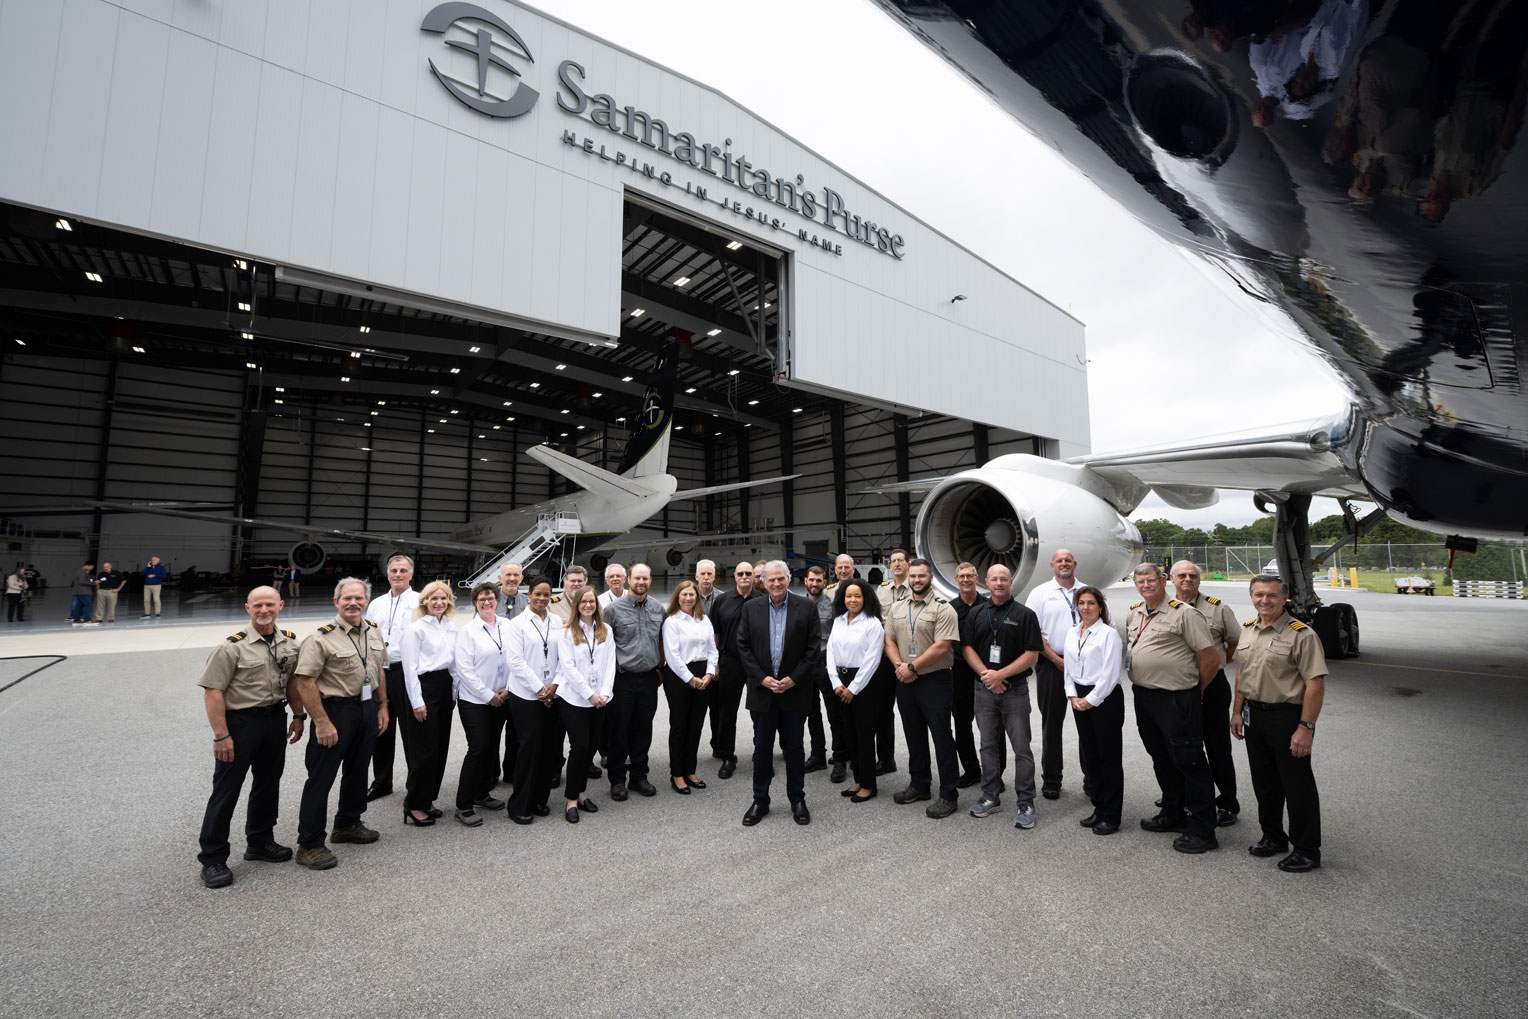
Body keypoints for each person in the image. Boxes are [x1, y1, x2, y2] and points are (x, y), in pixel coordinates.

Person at [194, 586, 304, 888]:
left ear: (280, 606)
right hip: (240, 723)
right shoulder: (232, 648)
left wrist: (298, 715)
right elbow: (213, 690)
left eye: (270, 604)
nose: (264, 610)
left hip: (274, 720)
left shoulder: (290, 643)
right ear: (247, 608)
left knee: (268, 785)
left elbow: (293, 681)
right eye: (258, 605)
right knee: (226, 789)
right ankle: (213, 857)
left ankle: (259, 841)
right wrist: (221, 735)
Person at [290, 578, 390, 870]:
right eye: (347, 598)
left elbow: (379, 670)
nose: (353, 603)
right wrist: (321, 722)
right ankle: (309, 843)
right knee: (321, 778)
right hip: (334, 711)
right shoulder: (320, 638)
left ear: (366, 601)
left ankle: (347, 823)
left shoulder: (373, 631)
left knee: (358, 771)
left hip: (366, 708)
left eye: (359, 598)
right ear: (336, 602)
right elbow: (304, 682)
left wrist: (382, 706)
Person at [1232, 575, 1328, 872]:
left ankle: (1307, 849)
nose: (1265, 600)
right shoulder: (1248, 631)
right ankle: (1273, 836)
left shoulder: (1302, 635)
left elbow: (1314, 684)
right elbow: (1241, 675)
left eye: (1271, 595)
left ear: (1283, 598)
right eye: (1259, 595)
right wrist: (1237, 712)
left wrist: (1306, 728)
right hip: (1254, 716)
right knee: (1265, 782)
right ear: (1252, 597)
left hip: (1287, 717)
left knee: (1297, 785)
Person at [1122, 563, 1220, 854]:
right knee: (1161, 758)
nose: (1145, 585)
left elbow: (1210, 658)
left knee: (1189, 760)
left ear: (1163, 581)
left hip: (1177, 698)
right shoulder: (1135, 612)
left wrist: (1193, 690)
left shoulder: (1185, 613)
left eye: (1150, 580)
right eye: (1140, 581)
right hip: (1145, 697)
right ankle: (1173, 812)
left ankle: (1203, 829)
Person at [736, 560, 822, 826]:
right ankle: (760, 800)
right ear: (763, 581)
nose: (776, 584)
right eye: (771, 580)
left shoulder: (806, 607)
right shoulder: (751, 608)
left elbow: (813, 649)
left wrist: (793, 680)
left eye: (781, 579)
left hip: (793, 692)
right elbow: (743, 646)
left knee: (794, 748)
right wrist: (762, 679)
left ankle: (797, 798)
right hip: (763, 692)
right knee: (762, 749)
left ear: (789, 579)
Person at [961, 564, 1043, 828]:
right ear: (986, 581)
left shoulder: (1025, 614)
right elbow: (967, 648)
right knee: (987, 745)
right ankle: (990, 796)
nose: (999, 583)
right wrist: (988, 675)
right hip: (983, 689)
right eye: (994, 579)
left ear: (1011, 582)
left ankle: (1026, 802)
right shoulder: (976, 613)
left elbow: (1032, 653)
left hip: (1014, 691)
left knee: (1021, 748)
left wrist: (1001, 675)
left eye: (1003, 579)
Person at [883, 558, 963, 819]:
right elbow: (889, 639)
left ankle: (949, 794)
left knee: (942, 737)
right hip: (905, 679)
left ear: (930, 578)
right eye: (913, 576)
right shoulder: (897, 607)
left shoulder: (943, 609)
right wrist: (900, 666)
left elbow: (942, 646)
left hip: (934, 680)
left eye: (921, 576)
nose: (916, 580)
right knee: (913, 735)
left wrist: (912, 667)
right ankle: (919, 785)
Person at [1172, 560, 1242, 827]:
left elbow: (1236, 641)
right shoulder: (1166, 607)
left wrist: (1220, 662)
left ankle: (1226, 803)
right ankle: (1187, 796)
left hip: (1211, 686)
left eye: (1192, 575)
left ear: (1199, 581)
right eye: (1182, 575)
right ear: (1172, 579)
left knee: (1217, 746)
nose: (1187, 579)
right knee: (1182, 745)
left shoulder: (1217, 608)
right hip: (1178, 686)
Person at [1064, 586, 1125, 836]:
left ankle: (1111, 815)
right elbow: (1068, 667)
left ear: (1100, 607)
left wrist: (1090, 700)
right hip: (1079, 696)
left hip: (1104, 699)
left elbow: (1110, 674)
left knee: (1108, 758)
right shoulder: (1072, 632)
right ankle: (1098, 808)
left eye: (1091, 603)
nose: (1086, 608)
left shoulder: (1109, 634)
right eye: (1081, 603)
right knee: (1091, 757)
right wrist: (1072, 695)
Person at [1023, 549, 1084, 800]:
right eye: (1059, 560)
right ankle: (1051, 780)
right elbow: (1033, 632)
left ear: (1075, 564)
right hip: (1051, 665)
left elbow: (1105, 624)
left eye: (1068, 560)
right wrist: (1057, 660)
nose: (1064, 564)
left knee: (1088, 726)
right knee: (1052, 725)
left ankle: (1092, 779)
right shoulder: (1039, 593)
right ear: (1052, 565)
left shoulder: (1087, 592)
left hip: (1084, 667)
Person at [452, 583, 512, 826]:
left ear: (497, 600)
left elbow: (515, 659)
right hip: (475, 700)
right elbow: (464, 670)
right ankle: (463, 804)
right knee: (478, 748)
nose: (486, 602)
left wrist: (506, 691)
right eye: (481, 599)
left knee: (490, 748)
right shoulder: (468, 631)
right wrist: (489, 695)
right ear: (475, 602)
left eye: (490, 598)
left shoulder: (507, 626)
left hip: (503, 696)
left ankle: (481, 793)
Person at [398, 580, 458, 827]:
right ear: (425, 602)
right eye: (434, 598)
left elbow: (453, 664)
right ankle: (414, 804)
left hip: (444, 687)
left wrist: (453, 693)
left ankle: (428, 799)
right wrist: (417, 702)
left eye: (443, 598)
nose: (439, 603)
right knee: (424, 749)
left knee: (440, 746)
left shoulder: (451, 627)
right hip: (424, 687)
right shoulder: (416, 629)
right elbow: (409, 668)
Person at [504, 576, 563, 824]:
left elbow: (564, 657)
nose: (541, 598)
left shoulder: (557, 621)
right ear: (529, 595)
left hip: (553, 693)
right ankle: (519, 804)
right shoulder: (516, 624)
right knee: (528, 749)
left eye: (546, 594)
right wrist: (540, 688)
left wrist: (554, 685)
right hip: (526, 695)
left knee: (548, 749)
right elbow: (515, 662)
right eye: (537, 594)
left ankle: (540, 799)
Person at [604, 563, 665, 800]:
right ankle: (617, 780)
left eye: (646, 579)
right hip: (623, 679)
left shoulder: (659, 609)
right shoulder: (612, 610)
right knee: (619, 730)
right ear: (629, 579)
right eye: (637, 578)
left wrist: (660, 669)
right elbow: (604, 645)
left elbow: (661, 640)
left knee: (643, 729)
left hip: (649, 679)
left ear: (651, 581)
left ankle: (639, 776)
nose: (641, 582)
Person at [556, 587, 614, 823]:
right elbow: (568, 669)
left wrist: (605, 694)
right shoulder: (566, 632)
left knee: (591, 746)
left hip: (600, 700)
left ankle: (581, 794)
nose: (588, 605)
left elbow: (611, 663)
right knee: (579, 747)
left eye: (592, 601)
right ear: (576, 605)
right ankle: (570, 800)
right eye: (584, 602)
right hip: (575, 699)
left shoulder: (605, 630)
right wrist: (590, 694)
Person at [365, 555, 419, 802]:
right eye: (394, 570)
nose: (398, 574)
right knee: (381, 729)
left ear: (411, 574)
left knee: (411, 732)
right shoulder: (376, 604)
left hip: (405, 672)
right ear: (387, 574)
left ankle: (415, 783)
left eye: (403, 570)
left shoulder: (420, 602)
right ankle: (382, 781)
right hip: (379, 672)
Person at [826, 578, 886, 802]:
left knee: (864, 735)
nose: (852, 600)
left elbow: (872, 660)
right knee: (849, 734)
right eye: (848, 596)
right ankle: (859, 780)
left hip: (863, 682)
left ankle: (869, 785)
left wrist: (853, 688)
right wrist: (836, 683)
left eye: (857, 596)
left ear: (866, 598)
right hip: (840, 682)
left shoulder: (872, 624)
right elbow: (830, 651)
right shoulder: (839, 621)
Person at [662, 580, 717, 794]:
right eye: (684, 594)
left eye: (691, 595)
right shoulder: (672, 621)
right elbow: (672, 656)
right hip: (679, 677)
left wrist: (710, 673)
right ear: (677, 597)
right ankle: (677, 774)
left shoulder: (704, 620)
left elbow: (713, 649)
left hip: (703, 675)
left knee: (696, 725)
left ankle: (690, 770)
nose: (688, 598)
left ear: (696, 597)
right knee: (679, 726)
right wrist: (691, 679)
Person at [706, 561, 759, 779]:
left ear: (754, 577)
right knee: (727, 711)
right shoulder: (722, 601)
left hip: (757, 663)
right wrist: (716, 662)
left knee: (760, 712)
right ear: (734, 576)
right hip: (730, 661)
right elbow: (714, 634)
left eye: (749, 573)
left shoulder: (762, 601)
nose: (745, 576)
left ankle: (761, 754)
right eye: (741, 573)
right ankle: (727, 755)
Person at [805, 565, 849, 782]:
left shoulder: (833, 607)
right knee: (811, 713)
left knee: (835, 714)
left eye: (819, 580)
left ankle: (840, 758)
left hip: (825, 664)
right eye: (811, 580)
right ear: (806, 581)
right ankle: (817, 755)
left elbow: (838, 638)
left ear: (824, 582)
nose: (815, 584)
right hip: (804, 666)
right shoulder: (798, 605)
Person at [947, 561, 985, 789]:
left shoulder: (989, 606)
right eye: (962, 576)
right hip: (960, 673)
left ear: (977, 578)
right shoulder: (950, 609)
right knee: (962, 725)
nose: (966, 580)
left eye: (970, 575)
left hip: (985, 673)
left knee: (993, 727)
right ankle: (971, 770)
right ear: (956, 580)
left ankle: (996, 774)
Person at [873, 548, 912, 774]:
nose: (896, 564)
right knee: (883, 710)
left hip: (909, 655)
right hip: (886, 656)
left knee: (911, 711)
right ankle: (886, 759)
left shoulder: (917, 587)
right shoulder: (883, 589)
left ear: (908, 564)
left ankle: (918, 762)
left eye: (901, 561)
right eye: (893, 561)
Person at [496, 561, 528, 786]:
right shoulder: (490, 599)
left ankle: (512, 771)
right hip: (495, 679)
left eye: (516, 575)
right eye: (508, 575)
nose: (512, 579)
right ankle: (489, 774)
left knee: (516, 730)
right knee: (491, 732)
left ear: (521, 578)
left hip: (518, 679)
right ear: (501, 577)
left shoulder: (528, 603)